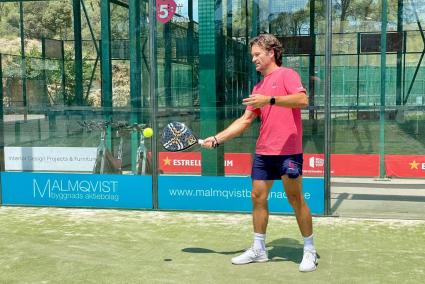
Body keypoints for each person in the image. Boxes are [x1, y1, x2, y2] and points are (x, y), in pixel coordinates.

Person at [202, 33, 317, 272]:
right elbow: (245, 121)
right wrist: (216, 139)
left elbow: (302, 100)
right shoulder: (258, 87)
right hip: (264, 153)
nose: (253, 59)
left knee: (295, 199)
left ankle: (309, 250)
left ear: (271, 53)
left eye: (257, 54)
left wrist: (271, 100)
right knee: (257, 197)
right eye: (252, 55)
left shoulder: (287, 75)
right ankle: (259, 250)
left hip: (288, 152)